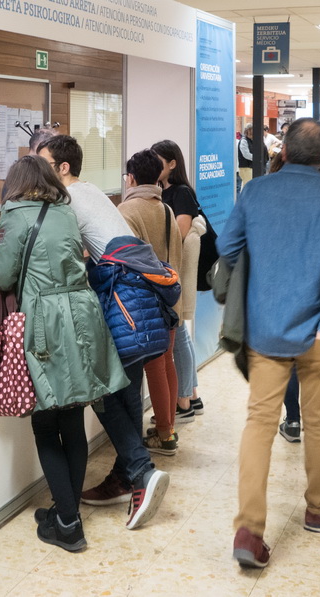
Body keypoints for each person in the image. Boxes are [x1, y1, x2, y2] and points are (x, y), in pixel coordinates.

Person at [220, 119, 320, 568]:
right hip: (318, 331)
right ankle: (319, 509)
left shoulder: (255, 192)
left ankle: (249, 530)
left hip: (264, 329)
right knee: (318, 422)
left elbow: (227, 246)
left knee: (260, 422)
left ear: (281, 153)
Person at [0, 156, 129, 553]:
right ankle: (64, 510)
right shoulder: (63, 211)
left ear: (15, 184)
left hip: (45, 320)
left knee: (45, 421)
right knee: (72, 416)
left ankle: (69, 524)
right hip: (82, 314)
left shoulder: (14, 213)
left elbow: (4, 274)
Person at [35, 135, 170, 529]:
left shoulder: (66, 201)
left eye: (43, 162)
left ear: (62, 169)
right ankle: (126, 476)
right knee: (125, 390)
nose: (39, 169)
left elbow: (59, 255)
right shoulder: (91, 190)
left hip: (119, 304)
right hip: (140, 300)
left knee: (104, 392)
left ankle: (141, 472)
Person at [117, 149, 182, 456]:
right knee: (166, 362)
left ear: (131, 177)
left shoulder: (127, 211)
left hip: (145, 302)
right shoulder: (166, 209)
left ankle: (166, 433)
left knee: (153, 368)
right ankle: (166, 425)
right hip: (169, 297)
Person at [151, 139, 208, 420]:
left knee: (180, 333)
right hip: (168, 272)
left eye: (158, 161)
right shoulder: (162, 191)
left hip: (174, 272)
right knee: (181, 333)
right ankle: (191, 395)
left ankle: (183, 399)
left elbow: (180, 233)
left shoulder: (181, 193)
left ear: (172, 164)